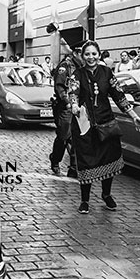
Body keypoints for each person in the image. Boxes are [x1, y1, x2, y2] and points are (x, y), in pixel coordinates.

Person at [70, 40, 140, 214]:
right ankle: (85, 200)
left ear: (99, 54)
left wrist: (134, 116)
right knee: (86, 161)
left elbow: (119, 96)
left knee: (109, 159)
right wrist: (73, 105)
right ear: (82, 56)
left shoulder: (107, 73)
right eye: (87, 54)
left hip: (106, 123)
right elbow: (72, 92)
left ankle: (106, 194)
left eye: (94, 54)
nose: (91, 57)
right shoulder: (77, 74)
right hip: (85, 125)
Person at [49, 39, 84, 177]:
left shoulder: (84, 67)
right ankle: (55, 159)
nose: (86, 57)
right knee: (64, 137)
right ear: (76, 53)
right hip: (66, 107)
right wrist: (68, 102)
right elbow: (59, 86)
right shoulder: (66, 66)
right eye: (83, 53)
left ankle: (74, 168)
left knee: (78, 137)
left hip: (80, 107)